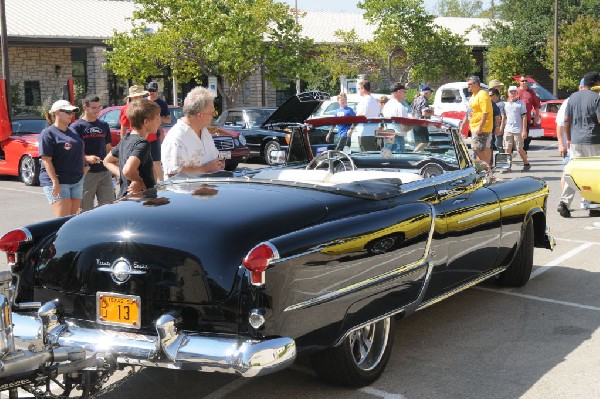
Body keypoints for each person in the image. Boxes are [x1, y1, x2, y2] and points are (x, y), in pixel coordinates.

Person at [557, 71, 600, 218]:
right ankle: (594, 205)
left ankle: (564, 202)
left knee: (573, 173)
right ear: (595, 84)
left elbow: (566, 120)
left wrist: (569, 138)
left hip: (576, 141)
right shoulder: (597, 98)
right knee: (595, 173)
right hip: (594, 140)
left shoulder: (573, 97)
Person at [161, 86, 226, 178]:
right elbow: (173, 173)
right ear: (199, 115)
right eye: (211, 113)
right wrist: (204, 169)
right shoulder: (176, 138)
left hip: (208, 189)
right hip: (186, 191)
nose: (213, 116)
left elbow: (213, 159)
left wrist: (219, 164)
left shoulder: (204, 131)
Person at [104, 99, 161, 198]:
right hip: (139, 202)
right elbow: (128, 170)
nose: (159, 121)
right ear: (146, 122)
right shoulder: (142, 143)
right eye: (156, 118)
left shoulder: (125, 139)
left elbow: (107, 161)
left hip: (126, 200)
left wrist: (124, 176)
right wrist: (138, 180)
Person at [38, 100, 86, 217]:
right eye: (68, 112)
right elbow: (46, 160)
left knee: (73, 219)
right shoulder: (48, 133)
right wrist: (55, 182)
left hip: (76, 180)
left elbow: (78, 152)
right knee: (63, 221)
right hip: (59, 181)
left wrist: (85, 166)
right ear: (57, 112)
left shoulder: (73, 132)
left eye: (72, 112)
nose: (71, 115)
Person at [70, 95, 115, 211]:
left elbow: (108, 147)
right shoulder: (76, 127)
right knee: (86, 209)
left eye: (99, 107)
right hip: (86, 173)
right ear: (85, 107)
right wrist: (86, 158)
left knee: (108, 208)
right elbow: (72, 152)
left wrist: (115, 164)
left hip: (105, 172)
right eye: (94, 108)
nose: (97, 111)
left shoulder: (104, 125)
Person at [462, 76, 493, 164]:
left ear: (476, 84)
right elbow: (470, 112)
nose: (468, 86)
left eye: (470, 84)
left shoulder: (482, 94)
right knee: (485, 148)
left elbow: (485, 112)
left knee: (476, 148)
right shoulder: (473, 96)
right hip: (474, 126)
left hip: (482, 127)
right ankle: (488, 169)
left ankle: (487, 166)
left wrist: (480, 126)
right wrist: (464, 124)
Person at [146, 82, 171, 182]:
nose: (151, 93)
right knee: (147, 163)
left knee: (156, 162)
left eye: (153, 90)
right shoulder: (143, 102)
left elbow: (169, 120)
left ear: (157, 91)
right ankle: (153, 184)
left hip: (155, 134)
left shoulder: (161, 103)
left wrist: (159, 118)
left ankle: (163, 184)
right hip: (144, 134)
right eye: (149, 90)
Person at [502, 86, 530, 172]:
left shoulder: (520, 104)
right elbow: (504, 117)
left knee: (519, 148)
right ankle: (507, 166)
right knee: (507, 148)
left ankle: (526, 164)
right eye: (511, 92)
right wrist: (501, 127)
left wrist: (524, 130)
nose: (513, 94)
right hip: (508, 129)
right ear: (508, 93)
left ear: (517, 93)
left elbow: (524, 117)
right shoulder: (506, 104)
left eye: (514, 92)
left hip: (518, 129)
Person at [382, 82, 409, 151]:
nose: (405, 94)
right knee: (399, 161)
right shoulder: (399, 106)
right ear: (399, 92)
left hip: (387, 136)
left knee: (389, 160)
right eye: (404, 92)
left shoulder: (387, 105)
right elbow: (404, 127)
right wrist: (414, 124)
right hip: (397, 139)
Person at [517, 75, 541, 152]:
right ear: (519, 82)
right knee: (515, 138)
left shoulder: (531, 92)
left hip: (526, 119)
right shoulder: (516, 91)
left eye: (525, 81)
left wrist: (536, 116)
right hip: (516, 119)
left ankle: (524, 155)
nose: (524, 82)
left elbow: (536, 105)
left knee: (525, 139)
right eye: (522, 81)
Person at [354, 80, 380, 151]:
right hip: (374, 131)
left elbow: (361, 116)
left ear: (363, 88)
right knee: (372, 155)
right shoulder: (374, 100)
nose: (358, 90)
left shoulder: (365, 100)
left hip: (366, 132)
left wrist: (352, 127)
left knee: (366, 156)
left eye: (359, 88)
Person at [411, 84, 434, 152]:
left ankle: (419, 156)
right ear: (426, 93)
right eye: (430, 93)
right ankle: (414, 153)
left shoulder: (415, 100)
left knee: (419, 143)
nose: (431, 95)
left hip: (414, 123)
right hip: (421, 123)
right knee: (425, 141)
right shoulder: (424, 101)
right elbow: (424, 113)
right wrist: (432, 112)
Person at [488, 88, 506, 155]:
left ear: (495, 95)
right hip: (493, 126)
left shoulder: (500, 104)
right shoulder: (492, 103)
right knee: (494, 143)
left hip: (499, 126)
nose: (489, 97)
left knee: (499, 143)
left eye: (490, 95)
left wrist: (501, 127)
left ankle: (502, 156)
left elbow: (503, 116)